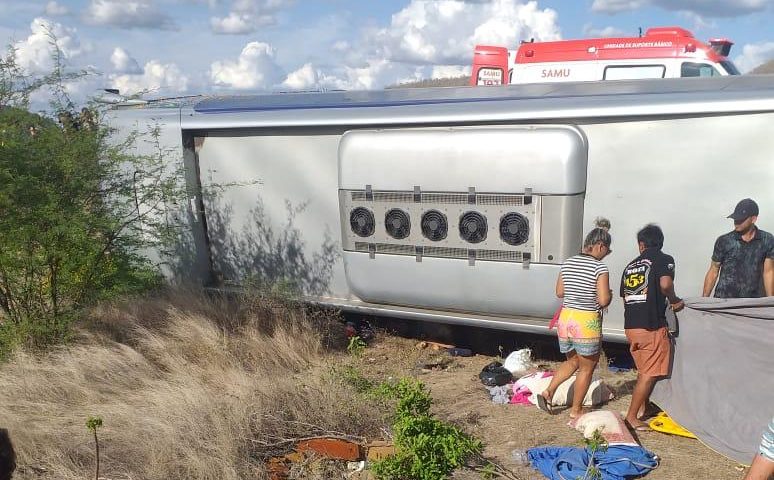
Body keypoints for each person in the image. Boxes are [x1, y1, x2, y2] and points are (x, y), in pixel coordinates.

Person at [537, 218, 612, 419]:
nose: (607, 255)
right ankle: (576, 410)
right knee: (587, 368)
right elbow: (603, 300)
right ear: (600, 246)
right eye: (607, 251)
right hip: (585, 321)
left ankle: (548, 391)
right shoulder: (600, 268)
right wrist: (609, 295)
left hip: (566, 318)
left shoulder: (568, 262)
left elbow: (559, 292)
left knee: (572, 362)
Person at [620, 224, 684, 432]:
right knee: (649, 373)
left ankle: (643, 408)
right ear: (660, 242)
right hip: (651, 325)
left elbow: (625, 297)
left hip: (631, 326)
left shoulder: (630, 266)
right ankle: (632, 417)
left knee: (643, 369)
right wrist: (674, 300)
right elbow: (665, 284)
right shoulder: (664, 259)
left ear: (641, 244)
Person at [703, 198, 774, 298]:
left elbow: (768, 272)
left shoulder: (767, 240)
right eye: (735, 219)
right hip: (724, 300)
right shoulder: (724, 241)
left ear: (753, 219)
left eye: (741, 219)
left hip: (753, 301)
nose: (736, 222)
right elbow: (713, 271)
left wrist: (770, 301)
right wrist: (703, 300)